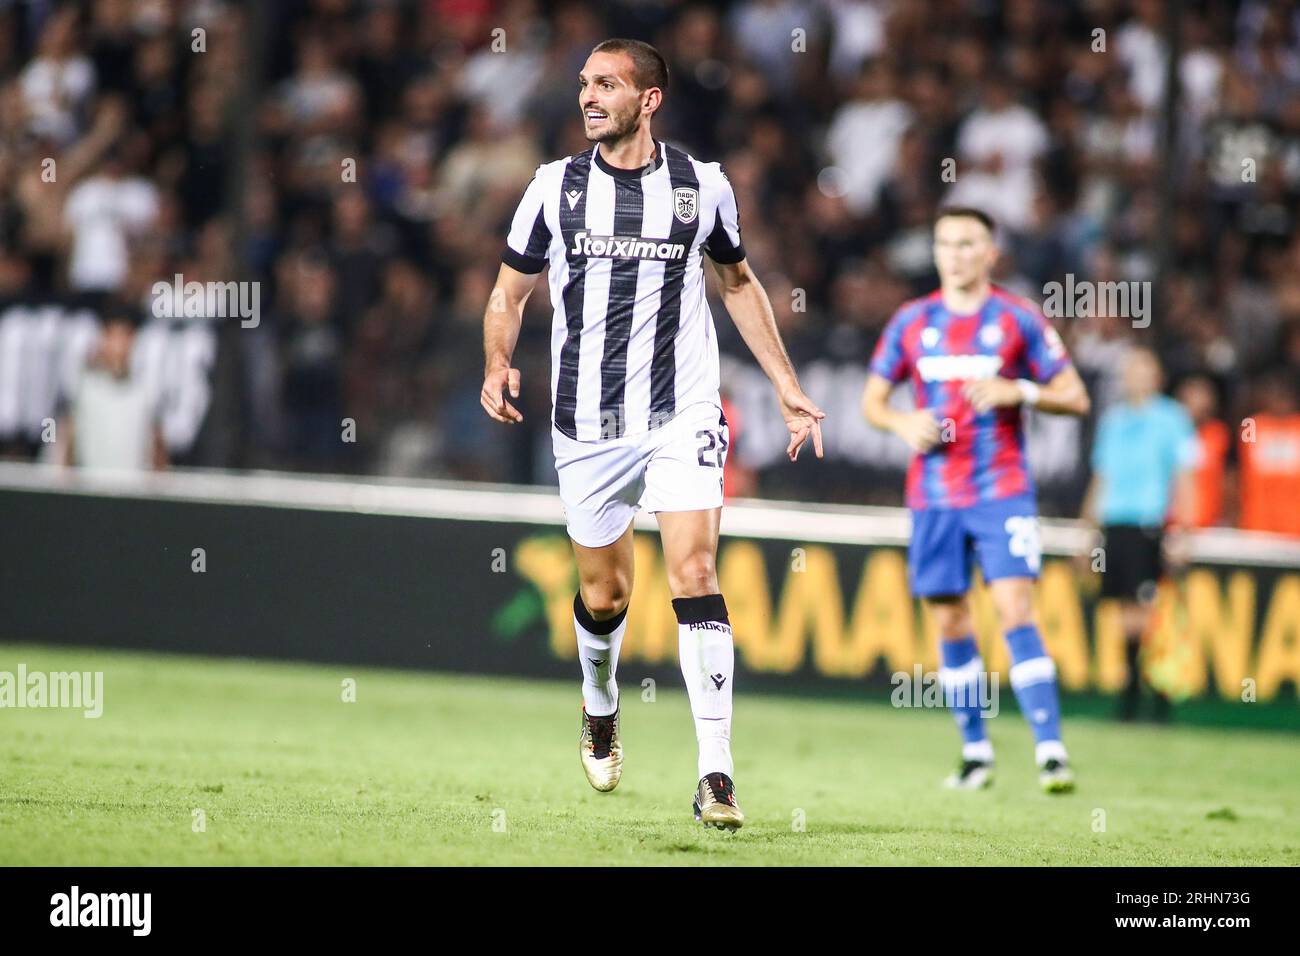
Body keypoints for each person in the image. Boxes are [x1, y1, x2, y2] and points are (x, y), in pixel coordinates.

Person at [480, 39, 824, 830]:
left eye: (607, 84)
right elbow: (508, 294)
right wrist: (498, 360)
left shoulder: (701, 188)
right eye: (583, 85)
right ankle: (599, 702)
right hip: (587, 424)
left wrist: (786, 384)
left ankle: (717, 777)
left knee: (694, 569)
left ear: (650, 98)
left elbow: (736, 283)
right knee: (606, 595)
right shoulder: (552, 189)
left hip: (683, 411)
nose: (589, 97)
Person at [861, 206, 1090, 793]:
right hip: (934, 495)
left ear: (991, 254)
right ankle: (975, 752)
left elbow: (1075, 396)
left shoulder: (1018, 319)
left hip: (1001, 490)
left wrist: (1021, 389)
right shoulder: (911, 322)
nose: (955, 254)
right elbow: (872, 402)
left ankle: (1051, 751)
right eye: (945, 243)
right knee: (952, 619)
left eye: (968, 244)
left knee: (1015, 609)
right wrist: (901, 424)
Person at [1081, 347, 1197, 722]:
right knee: (1124, 611)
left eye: (1144, 370)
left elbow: (1184, 478)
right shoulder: (1113, 420)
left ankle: (1159, 694)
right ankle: (1130, 692)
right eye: (1131, 370)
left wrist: (1182, 531)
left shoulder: (1172, 418)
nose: (1136, 377)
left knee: (1150, 610)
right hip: (1116, 524)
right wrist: (1087, 533)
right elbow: (1101, 479)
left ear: (1157, 377)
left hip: (1150, 523)